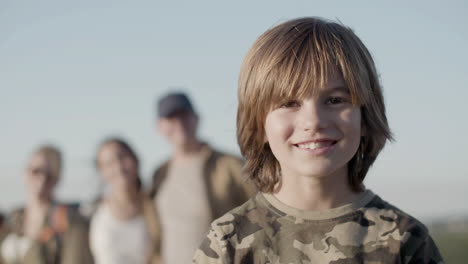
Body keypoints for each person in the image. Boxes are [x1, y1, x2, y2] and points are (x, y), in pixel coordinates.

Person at [193, 17, 444, 263]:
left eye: (335, 100)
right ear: (259, 126)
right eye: (289, 103)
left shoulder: (405, 241)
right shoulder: (228, 242)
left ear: (365, 117)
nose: (313, 121)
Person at [149, 92, 255, 264]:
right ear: (159, 126)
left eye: (184, 116)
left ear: (196, 118)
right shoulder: (159, 174)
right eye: (171, 118)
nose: (179, 124)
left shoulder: (230, 165)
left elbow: (262, 214)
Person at [0, 145, 94, 264]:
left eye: (49, 176)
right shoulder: (12, 219)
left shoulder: (70, 221)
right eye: (36, 171)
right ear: (25, 172)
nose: (42, 179)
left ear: (57, 180)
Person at [89, 138, 160, 264]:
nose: (119, 167)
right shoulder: (92, 212)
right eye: (109, 163)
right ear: (102, 172)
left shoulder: (156, 207)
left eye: (122, 157)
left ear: (136, 160)